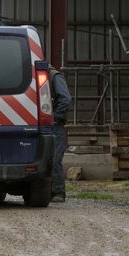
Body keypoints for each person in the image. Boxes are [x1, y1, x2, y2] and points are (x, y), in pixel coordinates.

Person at [49, 65, 72, 202]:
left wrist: (56, 117)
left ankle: (58, 192)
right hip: (47, 124)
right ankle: (52, 191)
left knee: (55, 159)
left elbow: (65, 99)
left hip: (55, 125)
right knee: (48, 159)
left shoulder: (54, 76)